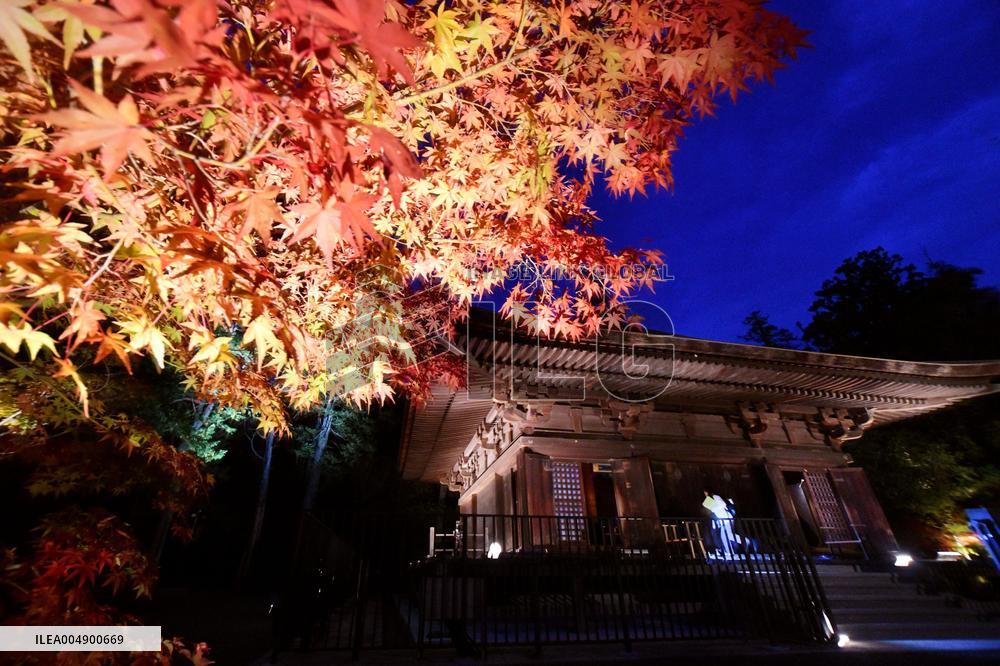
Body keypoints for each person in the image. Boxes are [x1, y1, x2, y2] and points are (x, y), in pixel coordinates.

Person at [702, 488, 741, 557]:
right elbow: (711, 513)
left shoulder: (715, 497)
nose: (705, 494)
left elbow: (723, 505)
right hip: (722, 520)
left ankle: (746, 541)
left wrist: (713, 508)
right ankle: (729, 552)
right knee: (724, 536)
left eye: (705, 492)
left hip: (726, 518)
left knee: (728, 535)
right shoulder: (708, 500)